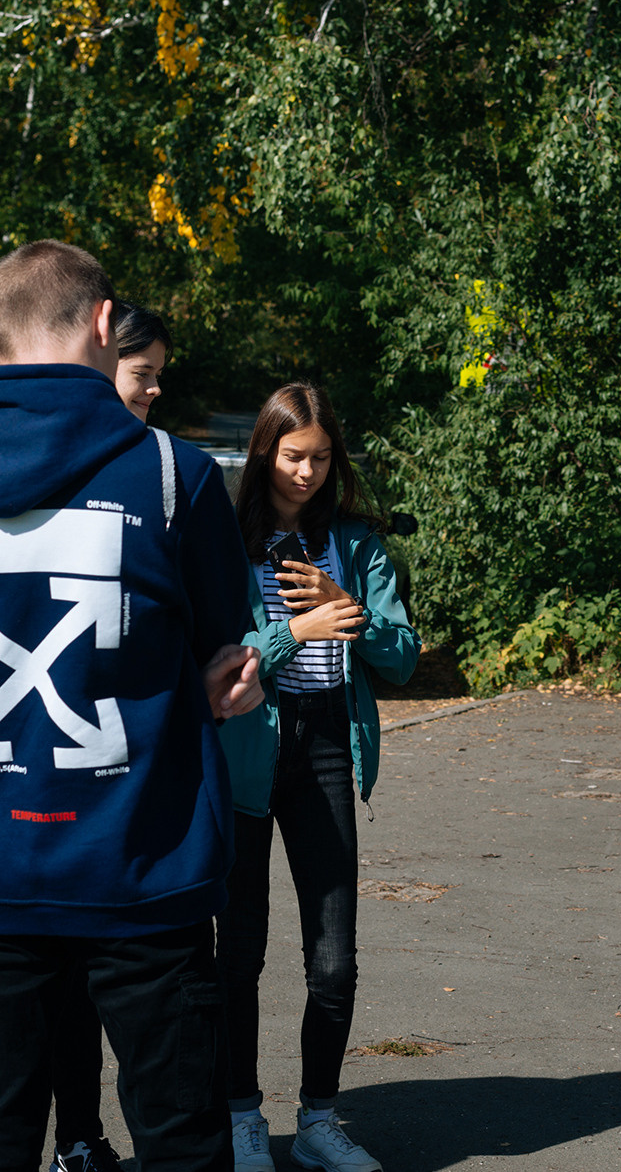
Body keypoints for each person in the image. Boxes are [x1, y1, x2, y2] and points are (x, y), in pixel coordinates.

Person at [0, 240, 262, 1172]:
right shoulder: (173, 474)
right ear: (106, 324)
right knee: (181, 1139)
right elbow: (221, 646)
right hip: (143, 861)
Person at [216, 382, 419, 1172]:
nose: (305, 472)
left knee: (334, 958)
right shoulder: (228, 538)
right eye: (292, 455)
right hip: (248, 745)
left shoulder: (356, 542)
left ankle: (318, 1119)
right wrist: (293, 628)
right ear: (265, 451)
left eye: (321, 457)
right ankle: (239, 1115)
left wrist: (349, 607)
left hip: (329, 742)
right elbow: (223, 657)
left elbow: (401, 656)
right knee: (240, 951)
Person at [41, 299, 178, 1172]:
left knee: (124, 982)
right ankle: (76, 1135)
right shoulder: (63, 463)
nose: (156, 389)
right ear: (103, 361)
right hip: (61, 746)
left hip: (133, 754)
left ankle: (98, 1136)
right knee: (59, 980)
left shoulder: (164, 467)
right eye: (143, 373)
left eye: (162, 373)